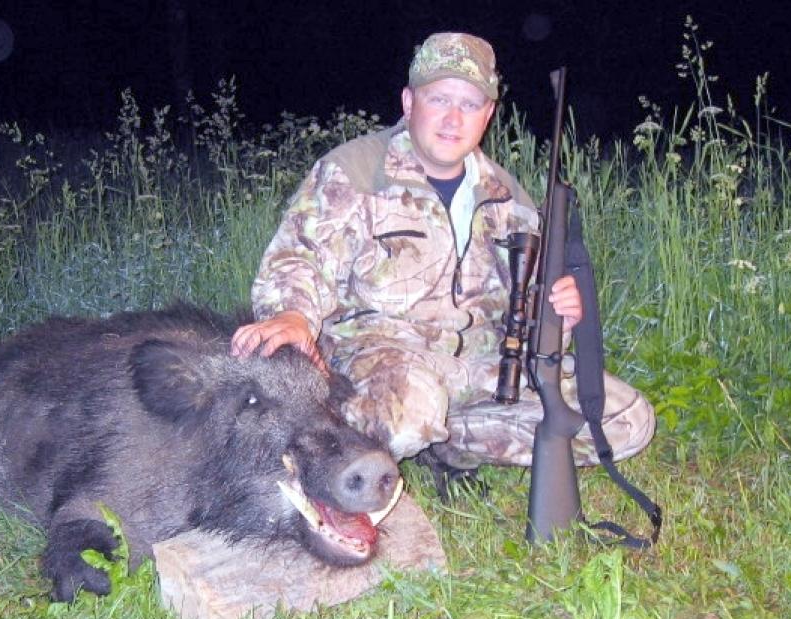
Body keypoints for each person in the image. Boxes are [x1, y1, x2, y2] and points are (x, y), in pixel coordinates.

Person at [231, 32, 654, 477]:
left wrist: (559, 318)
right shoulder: (352, 171)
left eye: (470, 105)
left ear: (488, 114)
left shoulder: (510, 198)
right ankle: (396, 432)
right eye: (439, 100)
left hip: (482, 370)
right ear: (409, 102)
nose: (453, 119)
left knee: (628, 419)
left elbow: (527, 316)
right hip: (384, 361)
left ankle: (447, 443)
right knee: (407, 413)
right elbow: (299, 259)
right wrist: (294, 314)